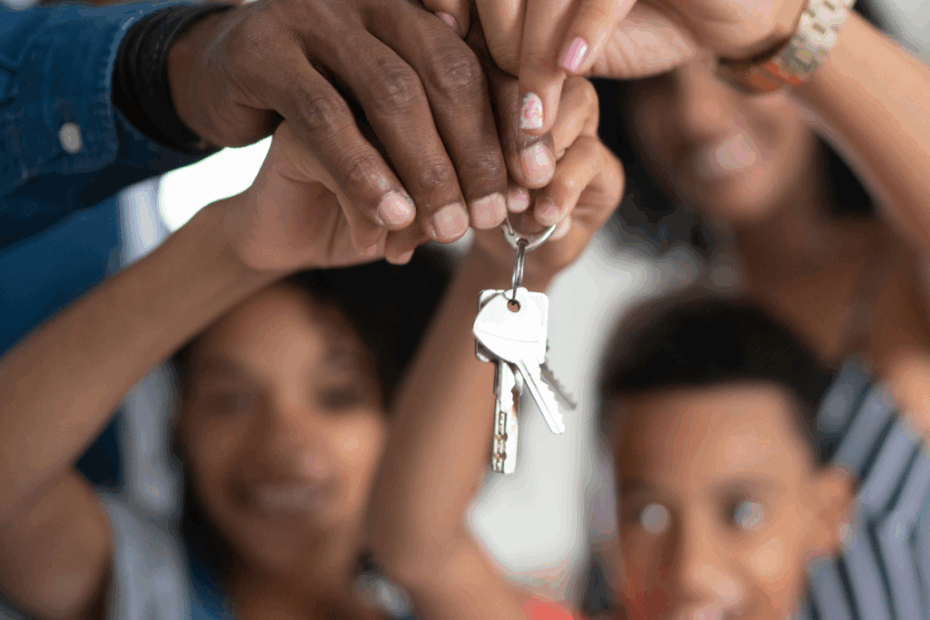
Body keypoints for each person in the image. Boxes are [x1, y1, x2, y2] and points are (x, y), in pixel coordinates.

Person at [0, 57, 623, 618]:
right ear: (179, 421)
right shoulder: (150, 590)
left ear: (416, 404)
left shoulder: (459, 595)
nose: (282, 445)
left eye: (338, 395)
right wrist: (236, 246)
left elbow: (415, 547)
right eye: (229, 399)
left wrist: (506, 269)